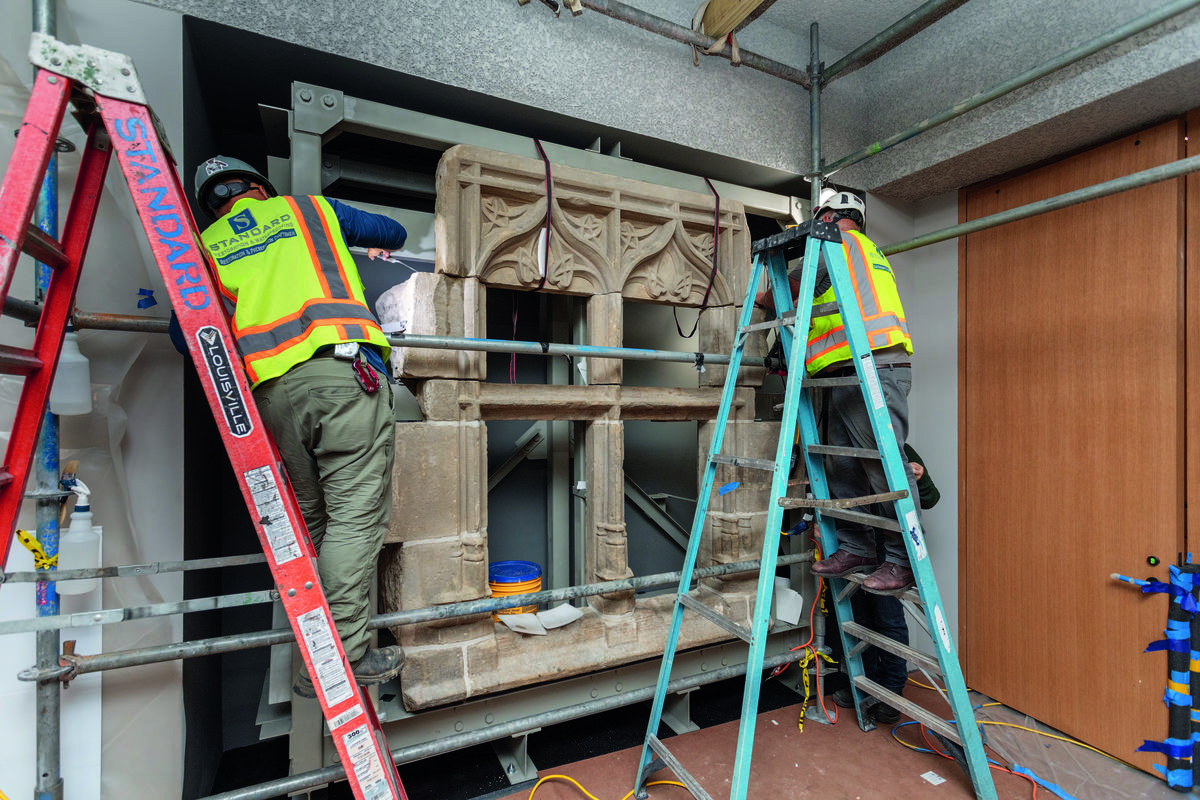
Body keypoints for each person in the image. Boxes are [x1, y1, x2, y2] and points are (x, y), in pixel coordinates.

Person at [192, 155, 407, 698]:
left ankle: (318, 646)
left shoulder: (206, 248)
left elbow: (185, 333)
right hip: (342, 375)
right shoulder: (311, 211)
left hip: (271, 396)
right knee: (356, 521)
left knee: (312, 521)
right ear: (260, 189)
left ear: (212, 207)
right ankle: (341, 659)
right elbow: (394, 232)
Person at [770, 190, 920, 594]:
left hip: (874, 366)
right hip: (845, 370)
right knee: (842, 465)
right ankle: (857, 546)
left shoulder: (838, 242)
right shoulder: (859, 249)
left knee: (882, 467)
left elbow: (793, 289)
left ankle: (904, 561)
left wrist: (761, 291)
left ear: (829, 216)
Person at [832, 443, 940, 724]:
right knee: (860, 618)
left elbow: (930, 498)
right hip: (856, 543)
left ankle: (891, 691)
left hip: (888, 549)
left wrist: (921, 477)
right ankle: (865, 686)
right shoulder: (846, 450)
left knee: (887, 619)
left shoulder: (901, 448)